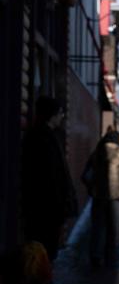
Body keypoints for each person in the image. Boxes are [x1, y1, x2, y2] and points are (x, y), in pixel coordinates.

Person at [21, 97, 77, 262]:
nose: (62, 117)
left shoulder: (47, 136)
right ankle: (40, 283)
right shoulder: (42, 138)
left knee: (47, 247)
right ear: (51, 115)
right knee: (44, 246)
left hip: (47, 206)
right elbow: (50, 176)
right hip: (45, 207)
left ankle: (43, 281)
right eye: (60, 113)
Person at [88, 131, 119, 268]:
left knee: (97, 228)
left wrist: (92, 188)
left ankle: (95, 256)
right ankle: (110, 258)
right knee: (112, 230)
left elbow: (86, 174)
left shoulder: (97, 152)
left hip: (98, 195)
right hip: (115, 197)